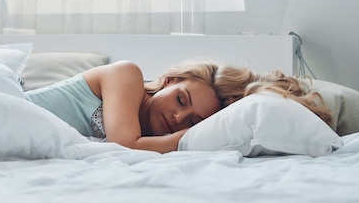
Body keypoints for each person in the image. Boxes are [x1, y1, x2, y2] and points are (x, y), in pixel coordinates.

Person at [25, 59, 332, 154]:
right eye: (181, 100)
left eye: (194, 122)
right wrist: (189, 139)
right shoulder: (126, 75)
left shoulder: (152, 138)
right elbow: (124, 145)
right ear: (170, 80)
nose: (178, 117)